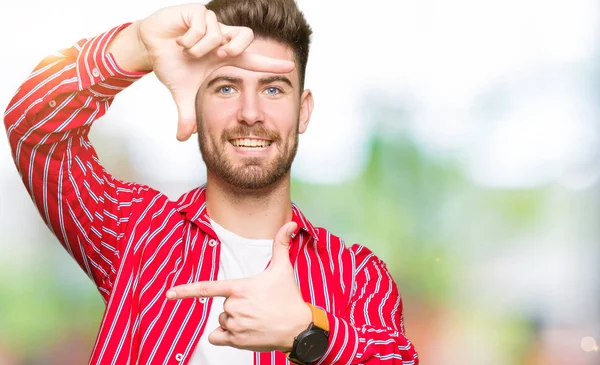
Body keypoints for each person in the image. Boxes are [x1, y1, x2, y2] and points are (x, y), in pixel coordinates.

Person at [4, 0, 419, 364]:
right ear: (196, 105)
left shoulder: (358, 276)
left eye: (273, 90)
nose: (251, 113)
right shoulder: (131, 230)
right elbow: (32, 125)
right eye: (225, 87)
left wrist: (309, 333)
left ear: (303, 111)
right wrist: (136, 45)